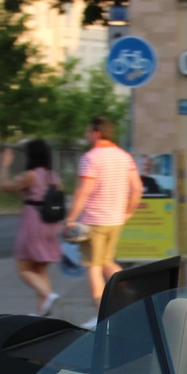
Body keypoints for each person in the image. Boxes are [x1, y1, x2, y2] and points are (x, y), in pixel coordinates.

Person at [64, 117, 146, 304]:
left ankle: (100, 314)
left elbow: (83, 191)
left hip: (94, 219)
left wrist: (70, 219)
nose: (85, 135)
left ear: (96, 133)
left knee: (93, 267)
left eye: (87, 131)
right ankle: (133, 294)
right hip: (115, 220)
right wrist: (128, 212)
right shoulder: (125, 157)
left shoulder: (90, 158)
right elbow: (137, 188)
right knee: (107, 261)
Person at [0, 138, 65, 316]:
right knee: (40, 269)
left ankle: (48, 295)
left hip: (33, 222)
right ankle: (41, 313)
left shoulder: (31, 175)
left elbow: (4, 187)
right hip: (51, 223)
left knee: (23, 268)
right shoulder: (54, 177)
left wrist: (5, 165)